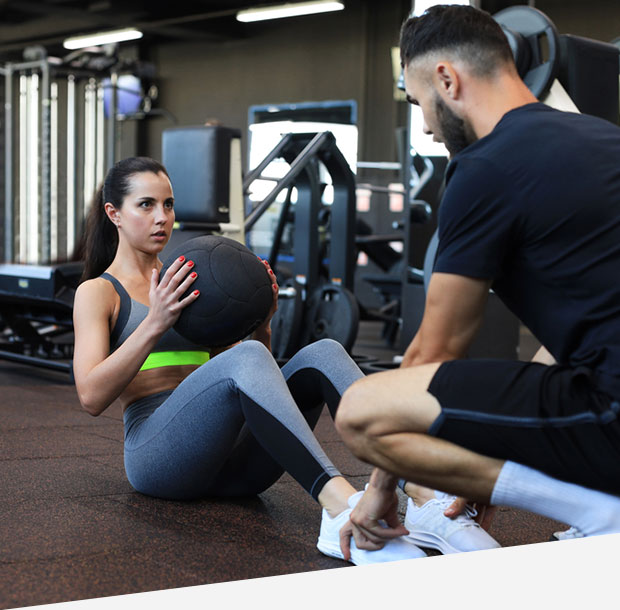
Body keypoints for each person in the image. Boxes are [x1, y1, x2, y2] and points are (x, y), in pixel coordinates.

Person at [334, 4, 620, 559]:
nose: (424, 124)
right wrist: (489, 463)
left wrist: (380, 489)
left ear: (447, 79)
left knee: (362, 411)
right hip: (602, 387)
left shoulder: (484, 166)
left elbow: (436, 349)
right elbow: (580, 332)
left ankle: (601, 509)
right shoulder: (604, 138)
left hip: (612, 413)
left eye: (420, 103)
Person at [72, 155, 428, 567]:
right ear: (114, 213)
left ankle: (421, 488)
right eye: (146, 205)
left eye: (168, 205)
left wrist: (263, 325)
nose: (161, 218)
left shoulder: (191, 276)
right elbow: (91, 396)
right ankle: (341, 508)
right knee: (247, 356)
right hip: (160, 457)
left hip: (235, 466)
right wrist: (155, 321)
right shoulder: (99, 292)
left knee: (323, 351)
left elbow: (242, 374)